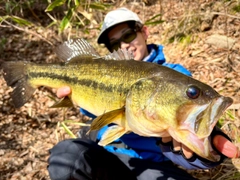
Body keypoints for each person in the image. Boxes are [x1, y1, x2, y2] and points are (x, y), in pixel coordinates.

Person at [47, 7, 239, 180]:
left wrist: (205, 146)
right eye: (114, 45)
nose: (123, 46)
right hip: (106, 156)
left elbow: (186, 133)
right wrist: (71, 98)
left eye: (128, 35)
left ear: (144, 32)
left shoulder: (176, 75)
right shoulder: (103, 73)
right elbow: (96, 116)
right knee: (66, 156)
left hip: (153, 167)